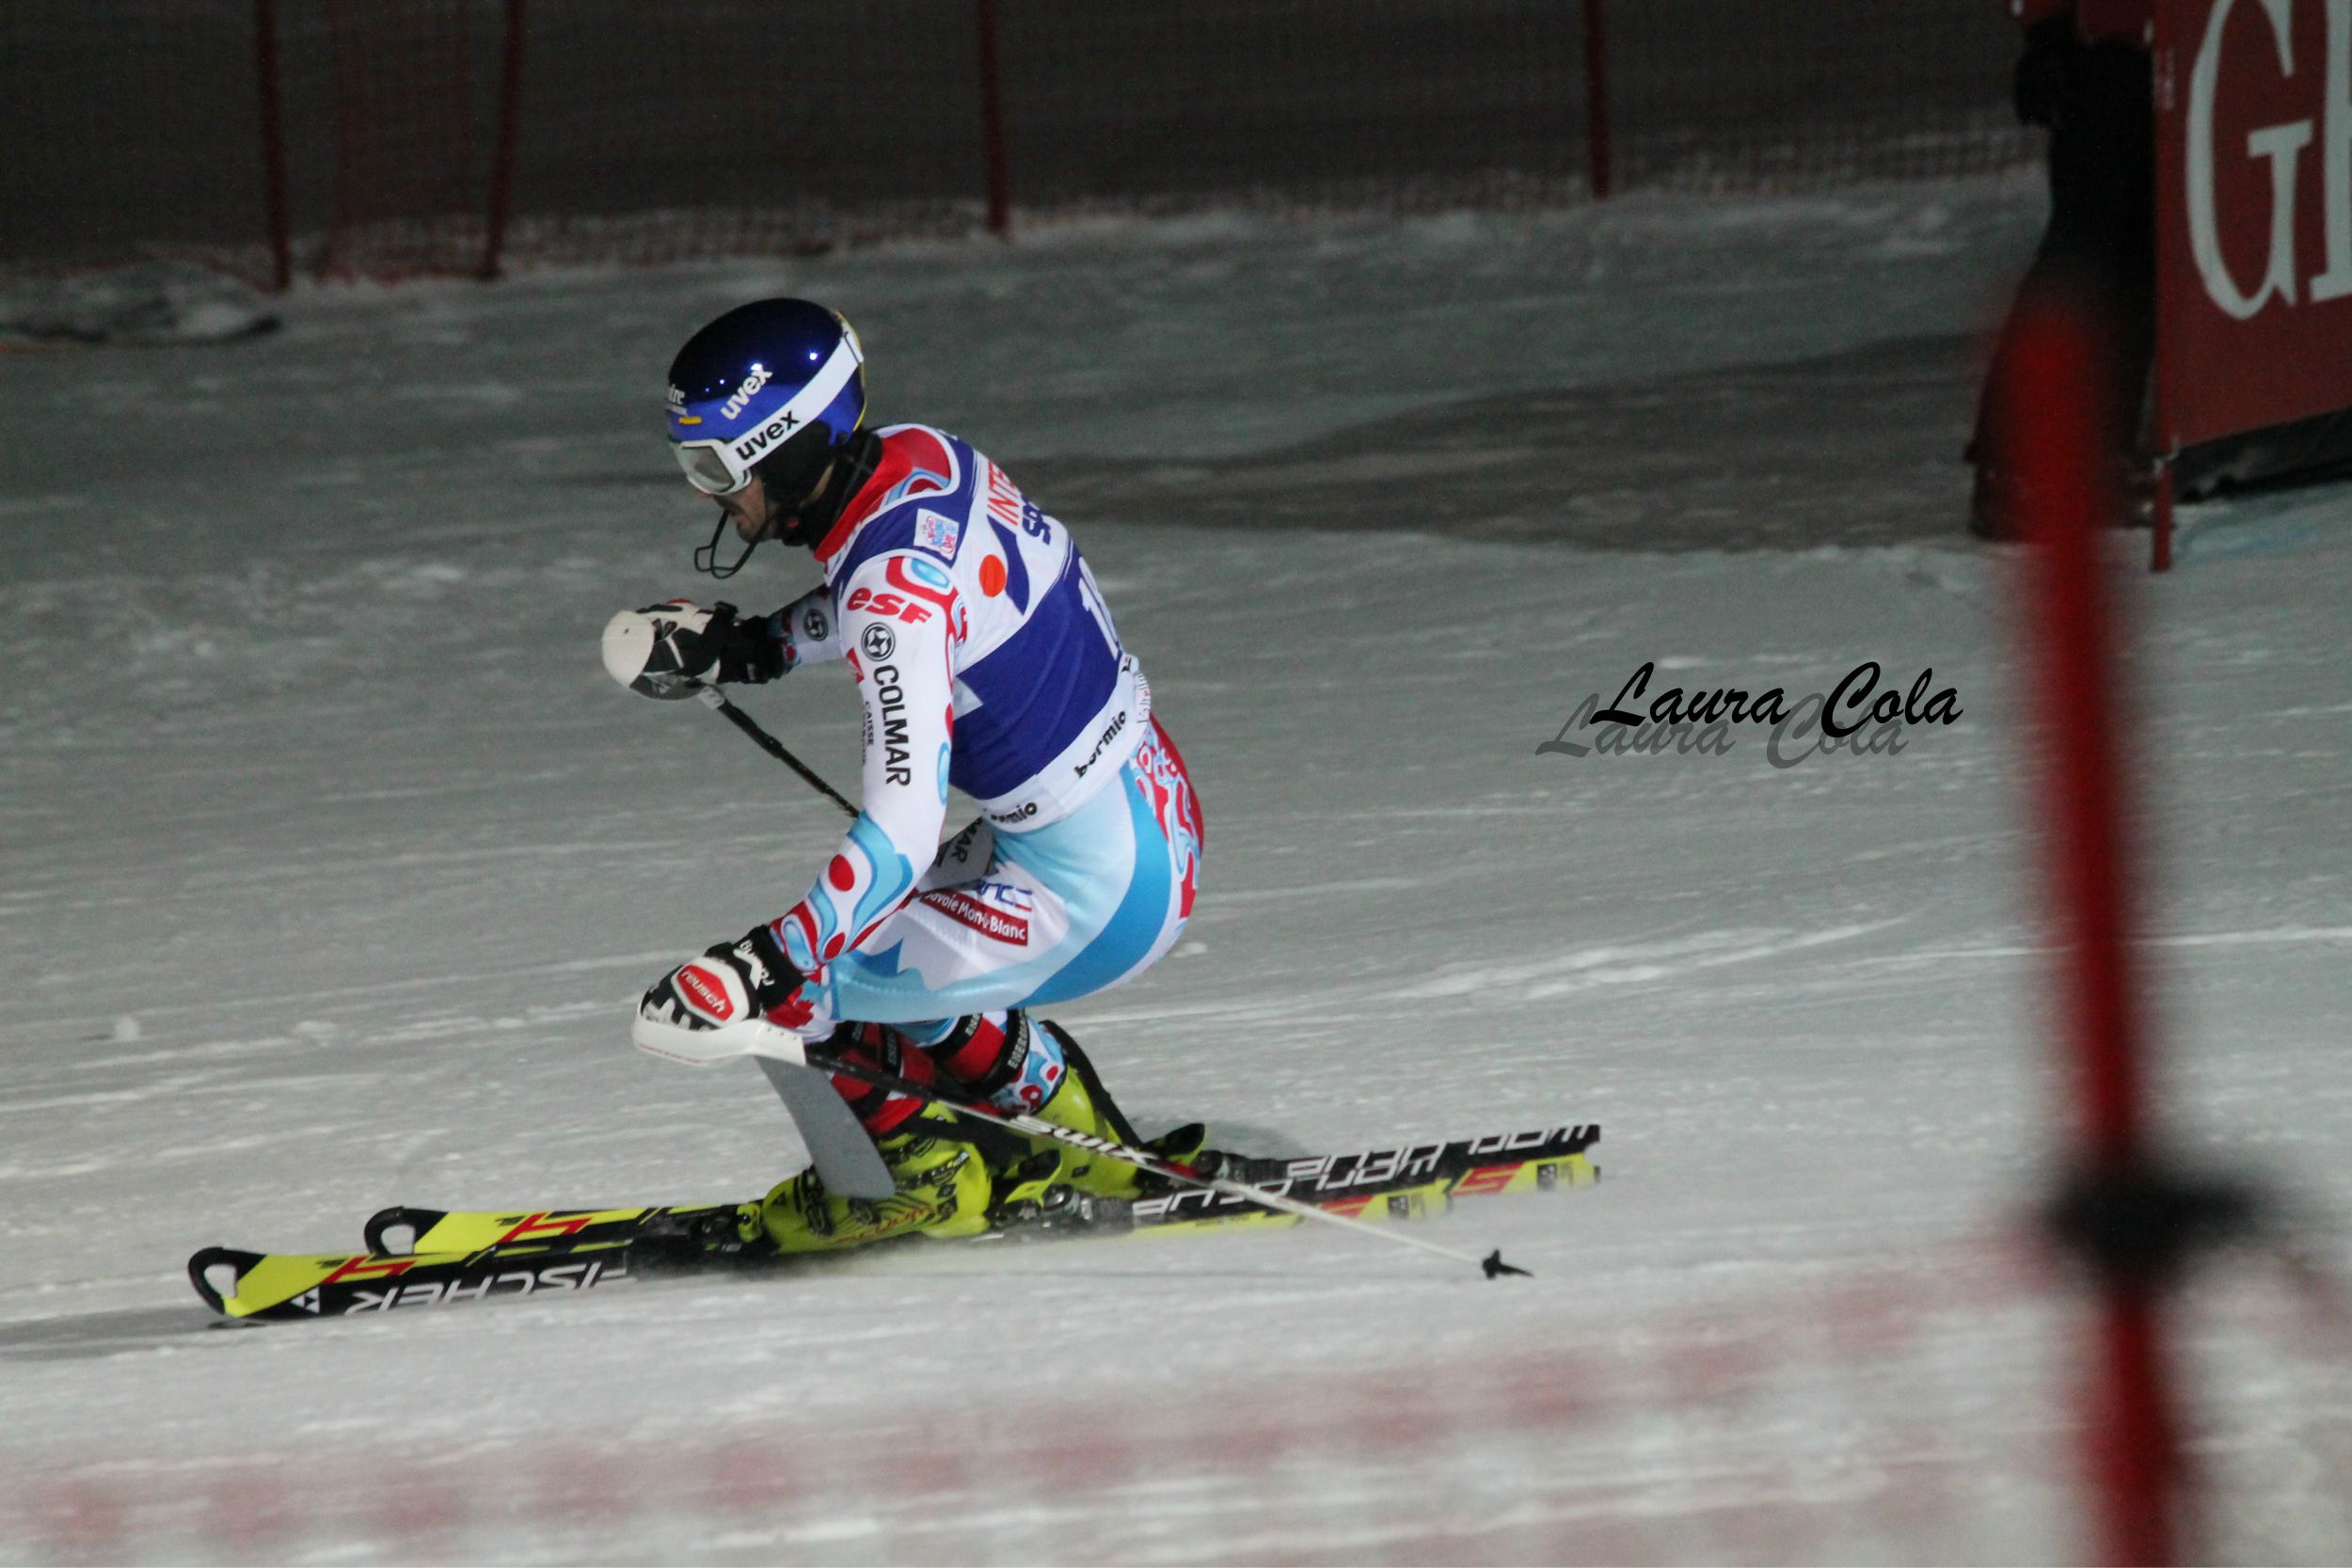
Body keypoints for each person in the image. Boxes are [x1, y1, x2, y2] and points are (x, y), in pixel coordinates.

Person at [612, 298, 1205, 1254]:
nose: (707, 495)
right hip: (1139, 813)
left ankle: (916, 1181)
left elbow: (898, 832)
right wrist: (759, 645)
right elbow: (925, 587)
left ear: (787, 448)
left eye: (715, 468)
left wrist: (757, 964)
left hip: (1098, 888)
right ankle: (1082, 1148)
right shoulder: (920, 454)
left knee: (800, 986)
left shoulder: (888, 602)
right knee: (899, 939)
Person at [1970, 0, 2156, 539]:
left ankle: (2100, 452)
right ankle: (2013, 465)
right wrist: (2048, 29)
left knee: (2139, 258)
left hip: (2180, 51)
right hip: (2111, 54)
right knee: (2086, 252)